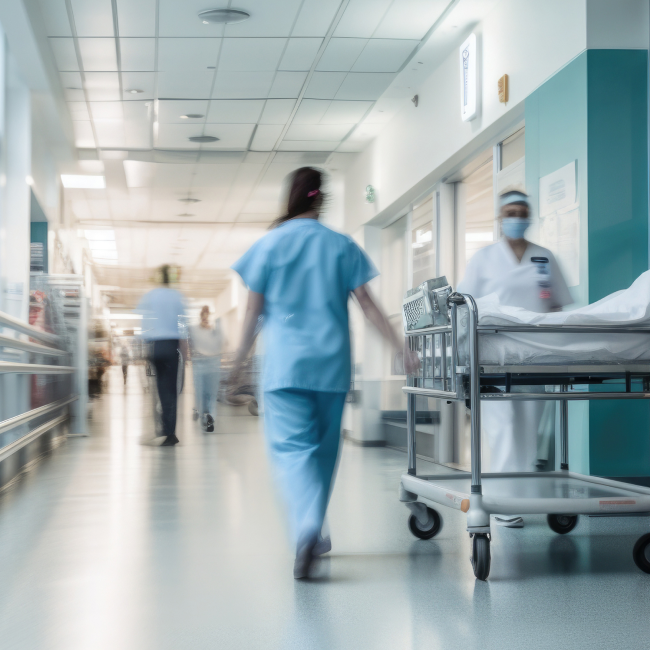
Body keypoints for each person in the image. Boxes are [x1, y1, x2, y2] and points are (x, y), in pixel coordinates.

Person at [230, 167, 419, 579]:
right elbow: (369, 305)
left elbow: (252, 312)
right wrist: (399, 347)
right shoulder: (340, 245)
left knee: (291, 452)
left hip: (283, 368)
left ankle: (308, 526)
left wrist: (238, 359)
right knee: (324, 452)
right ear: (321, 200)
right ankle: (315, 528)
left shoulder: (269, 245)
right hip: (331, 365)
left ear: (292, 197)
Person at [457, 189, 572, 526]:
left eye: (522, 212)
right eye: (510, 213)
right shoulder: (484, 259)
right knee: (503, 425)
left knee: (527, 429)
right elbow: (465, 305)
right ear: (500, 218)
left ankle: (517, 498)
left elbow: (557, 306)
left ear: (530, 216)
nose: (516, 218)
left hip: (535, 356)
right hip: (494, 356)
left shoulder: (544, 257)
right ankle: (503, 503)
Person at [137, 264, 187, 446]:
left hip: (156, 347)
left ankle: (161, 430)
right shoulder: (177, 296)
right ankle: (170, 433)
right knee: (171, 391)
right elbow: (183, 324)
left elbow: (144, 321)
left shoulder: (150, 296)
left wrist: (144, 347)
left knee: (158, 389)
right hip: (171, 346)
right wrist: (185, 350)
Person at [190, 306, 222, 432]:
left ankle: (204, 416)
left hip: (199, 364)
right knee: (211, 394)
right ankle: (210, 417)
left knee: (201, 393)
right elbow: (220, 345)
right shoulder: (213, 331)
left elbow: (192, 348)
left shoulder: (195, 330)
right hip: (213, 363)